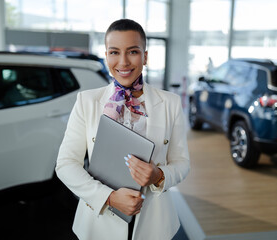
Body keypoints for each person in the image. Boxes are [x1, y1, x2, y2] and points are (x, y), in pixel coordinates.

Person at [55, 19, 190, 240]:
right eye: (114, 52)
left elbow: (183, 163)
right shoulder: (86, 101)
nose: (123, 62)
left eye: (133, 52)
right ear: (106, 56)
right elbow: (65, 164)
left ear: (145, 56)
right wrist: (107, 197)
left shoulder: (171, 103)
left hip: (154, 221)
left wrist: (159, 175)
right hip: (98, 220)